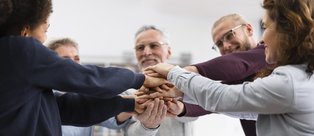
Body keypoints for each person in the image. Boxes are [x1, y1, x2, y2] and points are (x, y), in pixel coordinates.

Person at [146, 0, 314, 135]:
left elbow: (222, 94)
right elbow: (230, 103)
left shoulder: (286, 78)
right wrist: (181, 104)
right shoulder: (299, 76)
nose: (225, 46)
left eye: (267, 26)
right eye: (219, 44)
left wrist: (174, 72)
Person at [0, 0, 165, 135]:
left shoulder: (14, 69)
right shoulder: (19, 51)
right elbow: (89, 78)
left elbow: (65, 107)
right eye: (45, 30)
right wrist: (140, 79)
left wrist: (128, 104)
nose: (44, 39)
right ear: (25, 32)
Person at [117, 25, 196, 136]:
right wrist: (147, 126)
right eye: (140, 48)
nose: (146, 52)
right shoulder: (126, 90)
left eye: (154, 45)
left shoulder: (183, 82)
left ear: (168, 51)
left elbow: (197, 113)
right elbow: (128, 131)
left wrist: (180, 108)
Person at [47, 38, 132, 136]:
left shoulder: (86, 94)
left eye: (76, 58)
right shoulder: (43, 97)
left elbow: (112, 119)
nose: (73, 64)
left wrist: (137, 102)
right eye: (66, 59)